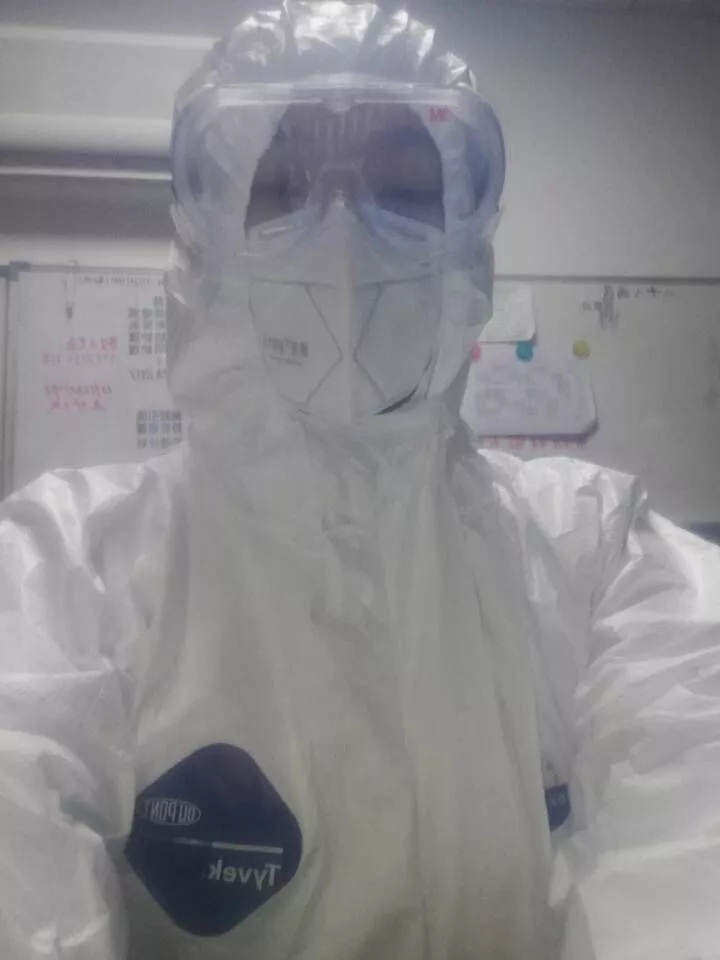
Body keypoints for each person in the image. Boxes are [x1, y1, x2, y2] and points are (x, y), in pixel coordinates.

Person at [1, 2, 719, 958]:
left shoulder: (598, 554)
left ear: (468, 237)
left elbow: (691, 838)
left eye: (404, 189)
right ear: (205, 232)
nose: (341, 237)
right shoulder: (63, 573)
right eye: (282, 185)